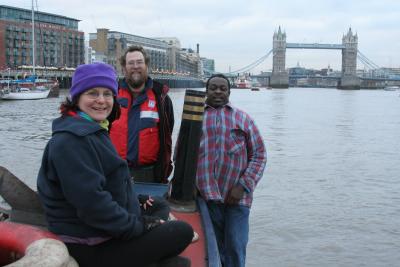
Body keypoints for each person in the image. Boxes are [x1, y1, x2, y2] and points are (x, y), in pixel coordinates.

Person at [37, 63, 193, 267]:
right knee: (182, 234)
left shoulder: (93, 130)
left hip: (104, 230)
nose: (101, 101)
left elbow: (107, 184)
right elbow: (92, 205)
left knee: (159, 204)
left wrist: (136, 200)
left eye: (107, 94)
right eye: (92, 93)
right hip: (89, 243)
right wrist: (140, 226)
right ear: (76, 98)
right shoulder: (71, 142)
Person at [196, 74, 267, 267]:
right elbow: (182, 155)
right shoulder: (196, 119)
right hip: (207, 198)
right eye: (213, 88)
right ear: (206, 91)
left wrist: (243, 186)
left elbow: (260, 155)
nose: (218, 91)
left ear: (229, 92)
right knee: (213, 250)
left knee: (236, 247)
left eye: (222, 88)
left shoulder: (244, 119)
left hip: (238, 199)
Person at [110, 46, 174, 183]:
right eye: (131, 63)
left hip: (150, 176)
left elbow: (167, 134)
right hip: (114, 173)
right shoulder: (111, 96)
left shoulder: (161, 99)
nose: (135, 66)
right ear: (123, 68)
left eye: (139, 62)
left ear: (146, 65)